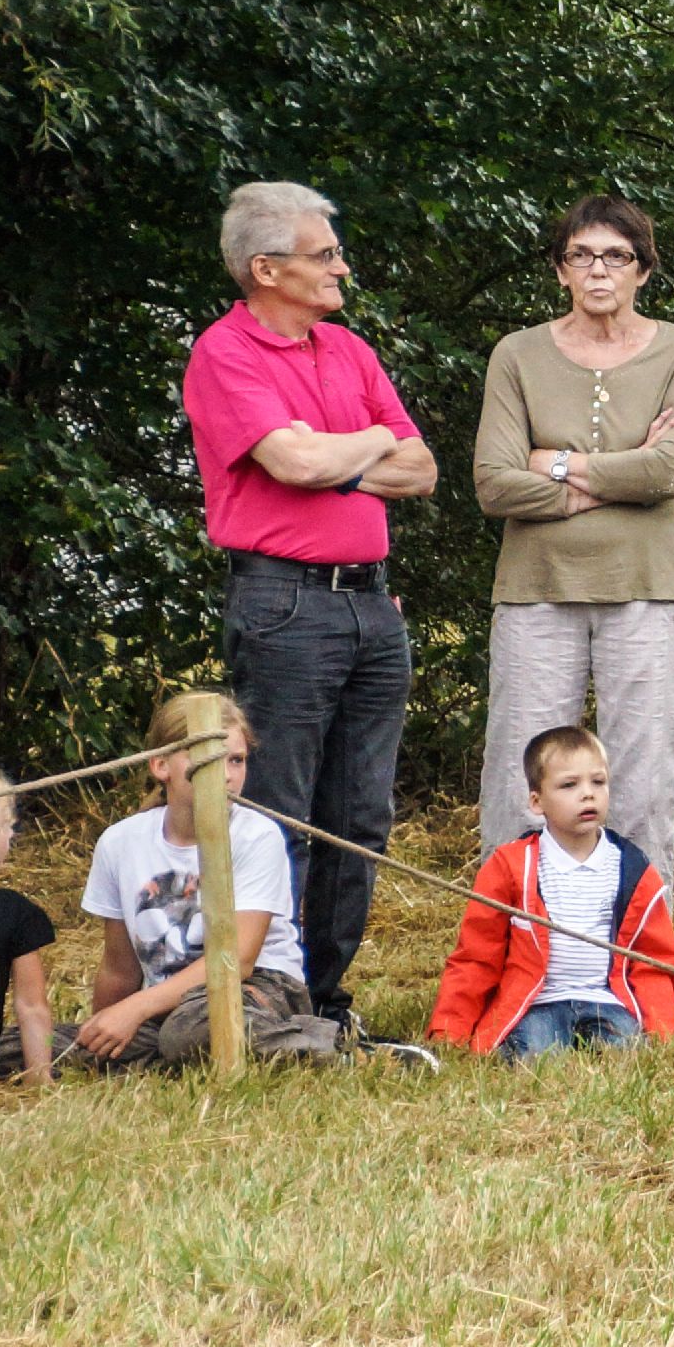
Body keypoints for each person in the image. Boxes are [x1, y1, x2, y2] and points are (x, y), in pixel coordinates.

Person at [185, 181, 433, 1033]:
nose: (341, 268)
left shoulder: (349, 349)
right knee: (279, 810)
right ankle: (265, 999)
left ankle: (323, 1001)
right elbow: (290, 463)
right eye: (324, 254)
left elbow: (423, 469)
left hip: (373, 607)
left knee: (360, 817)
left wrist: (340, 455)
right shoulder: (225, 353)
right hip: (283, 605)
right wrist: (367, 444)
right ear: (265, 269)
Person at [472, 196, 674, 868]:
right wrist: (619, 474)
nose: (598, 270)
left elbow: (671, 468)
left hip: (650, 587)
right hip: (536, 589)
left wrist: (554, 463)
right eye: (581, 255)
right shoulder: (517, 354)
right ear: (560, 270)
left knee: (642, 784)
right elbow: (492, 483)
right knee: (522, 777)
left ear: (643, 271)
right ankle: (514, 950)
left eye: (617, 256)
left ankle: (637, 958)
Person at [66, 695, 343, 1069]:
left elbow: (237, 961)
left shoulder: (257, 835)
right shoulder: (119, 842)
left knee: (188, 1032)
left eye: (236, 760)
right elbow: (119, 967)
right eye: (209, 759)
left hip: (257, 988)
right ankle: (176, 1061)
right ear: (161, 764)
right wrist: (102, 1035)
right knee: (25, 1046)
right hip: (169, 1002)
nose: (226, 774)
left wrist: (134, 1010)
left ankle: (343, 1050)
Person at [428, 724, 674, 1059]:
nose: (588, 794)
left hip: (607, 1000)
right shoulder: (511, 867)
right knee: (536, 1054)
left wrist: (667, 1032)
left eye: (598, 782)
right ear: (537, 802)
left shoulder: (633, 870)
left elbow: (655, 961)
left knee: (627, 1052)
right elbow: (476, 957)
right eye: (569, 785)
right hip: (540, 1002)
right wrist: (449, 1032)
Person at [0, 767, 56, 1086]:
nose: (12, 836)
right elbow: (32, 1008)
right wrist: (40, 1078)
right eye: (8, 827)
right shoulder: (13, 913)